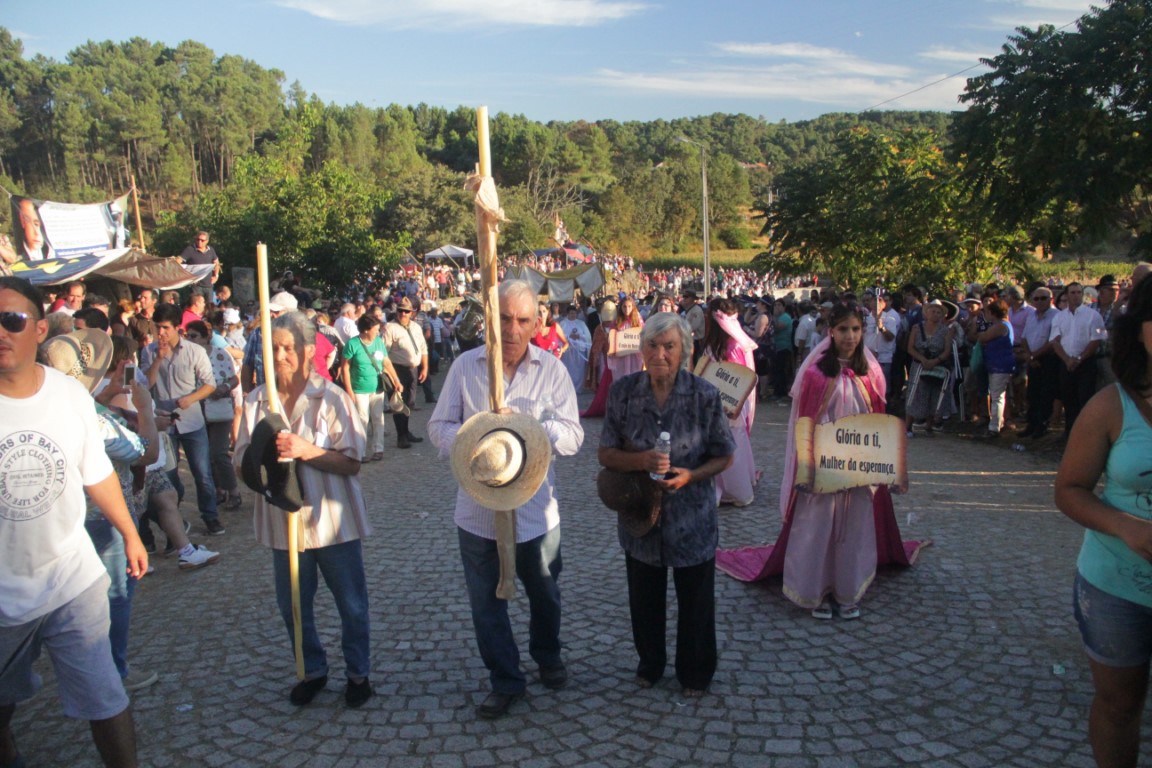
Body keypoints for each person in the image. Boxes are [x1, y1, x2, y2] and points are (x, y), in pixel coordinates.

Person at [0, 276, 146, 768]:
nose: (1, 332)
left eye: (11, 320)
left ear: (38, 329)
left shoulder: (68, 396)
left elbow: (97, 472)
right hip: (2, 594)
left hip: (70, 578)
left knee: (104, 697)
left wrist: (129, 533)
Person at [428, 280, 584, 720]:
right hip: (478, 512)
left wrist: (535, 428)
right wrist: (471, 441)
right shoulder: (464, 367)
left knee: (545, 594)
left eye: (522, 320)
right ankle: (505, 678)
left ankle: (548, 655)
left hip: (536, 514)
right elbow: (438, 426)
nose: (512, 329)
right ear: (489, 322)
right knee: (486, 604)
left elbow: (574, 436)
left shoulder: (551, 370)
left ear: (537, 322)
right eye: (503, 319)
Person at [721, 304, 924, 619]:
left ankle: (847, 591)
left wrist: (886, 466)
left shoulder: (871, 373)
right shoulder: (816, 375)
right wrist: (809, 466)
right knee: (816, 527)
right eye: (843, 329)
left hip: (857, 467)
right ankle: (813, 591)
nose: (850, 336)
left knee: (854, 528)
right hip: (823, 468)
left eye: (856, 330)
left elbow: (877, 424)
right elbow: (806, 425)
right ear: (831, 332)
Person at [235, 311, 374, 708]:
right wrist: (258, 457)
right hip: (284, 522)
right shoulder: (256, 401)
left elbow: (351, 462)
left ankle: (358, 674)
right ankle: (312, 669)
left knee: (351, 603)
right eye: (272, 348)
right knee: (293, 606)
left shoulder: (331, 398)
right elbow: (243, 461)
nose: (279, 356)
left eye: (287, 348)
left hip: (332, 522)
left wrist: (305, 450)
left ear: (309, 352)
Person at [598, 311, 735, 695]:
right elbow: (606, 454)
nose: (660, 354)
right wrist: (640, 462)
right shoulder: (624, 393)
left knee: (695, 601)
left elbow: (725, 456)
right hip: (641, 517)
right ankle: (651, 663)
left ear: (685, 351)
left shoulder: (704, 395)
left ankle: (695, 673)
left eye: (669, 346)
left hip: (692, 518)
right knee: (644, 599)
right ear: (641, 350)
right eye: (653, 345)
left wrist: (691, 475)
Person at [1054, 276, 1152, 768]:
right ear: (1139, 330)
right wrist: (1126, 526)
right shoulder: (1112, 406)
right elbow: (1069, 490)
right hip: (1117, 586)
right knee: (1120, 704)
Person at [140, 303, 223, 535]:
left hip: (192, 419)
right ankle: (174, 523)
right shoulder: (148, 351)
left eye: (166, 328)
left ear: (178, 328)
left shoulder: (194, 351)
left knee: (202, 472)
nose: (161, 333)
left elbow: (209, 384)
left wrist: (191, 398)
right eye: (158, 328)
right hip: (164, 422)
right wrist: (158, 359)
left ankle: (210, 516)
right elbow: (145, 385)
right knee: (170, 476)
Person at [701, 298, 758, 507]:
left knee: (729, 441)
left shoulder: (733, 345)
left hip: (729, 401)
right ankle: (725, 486)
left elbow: (737, 377)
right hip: (719, 399)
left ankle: (734, 489)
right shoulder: (717, 344)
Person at [184, 320, 242, 509]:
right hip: (196, 409)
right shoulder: (186, 356)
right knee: (206, 455)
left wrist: (224, 387)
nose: (190, 339)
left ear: (206, 337)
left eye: (194, 336)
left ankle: (233, 491)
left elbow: (234, 378)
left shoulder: (220, 354)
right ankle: (218, 491)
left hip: (219, 408)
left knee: (219, 453)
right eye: (188, 335)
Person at [341, 314, 402, 462]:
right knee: (362, 419)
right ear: (366, 330)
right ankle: (360, 452)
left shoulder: (379, 342)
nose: (377, 332)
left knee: (378, 418)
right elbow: (345, 368)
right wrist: (349, 389)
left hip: (377, 387)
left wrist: (396, 380)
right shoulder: (352, 344)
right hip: (359, 388)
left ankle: (378, 449)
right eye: (375, 329)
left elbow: (386, 362)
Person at [1050, 282, 1106, 438]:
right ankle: (1069, 431)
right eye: (1072, 292)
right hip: (1066, 363)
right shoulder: (1060, 317)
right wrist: (1067, 360)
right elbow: (1054, 340)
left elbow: (1096, 340)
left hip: (1086, 363)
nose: (1075, 295)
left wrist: (1080, 358)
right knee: (1068, 399)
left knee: (1085, 398)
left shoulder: (1093, 315)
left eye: (1078, 292)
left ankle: (1086, 434)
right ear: (1066, 295)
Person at [381, 296, 429, 448]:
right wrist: (391, 376)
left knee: (409, 403)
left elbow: (423, 348)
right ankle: (401, 436)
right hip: (397, 369)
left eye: (406, 312)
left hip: (412, 369)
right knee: (398, 404)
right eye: (400, 311)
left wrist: (425, 367)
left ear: (412, 313)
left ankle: (406, 431)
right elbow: (383, 353)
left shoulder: (415, 327)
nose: (403, 314)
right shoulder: (390, 328)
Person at [904, 299, 957, 437]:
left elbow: (947, 350)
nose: (935, 314)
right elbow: (910, 347)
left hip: (937, 364)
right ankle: (907, 426)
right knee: (915, 393)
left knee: (935, 392)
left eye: (938, 312)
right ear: (926, 313)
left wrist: (935, 361)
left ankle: (930, 424)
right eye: (932, 311)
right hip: (919, 364)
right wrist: (923, 359)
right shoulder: (916, 328)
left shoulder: (946, 331)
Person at [975, 299, 1015, 438]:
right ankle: (999, 422)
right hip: (997, 364)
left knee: (997, 396)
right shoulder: (1004, 325)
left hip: (1000, 365)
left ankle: (994, 427)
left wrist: (981, 336)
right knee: (998, 395)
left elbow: (983, 337)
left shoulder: (1000, 326)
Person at [558, 303, 590, 391]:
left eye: (574, 313)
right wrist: (569, 337)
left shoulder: (581, 323)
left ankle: (578, 388)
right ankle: (568, 388)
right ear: (568, 314)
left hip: (579, 351)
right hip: (568, 352)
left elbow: (587, 336)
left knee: (579, 371)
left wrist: (580, 337)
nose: (573, 315)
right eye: (571, 313)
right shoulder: (563, 323)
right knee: (568, 370)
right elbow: (560, 336)